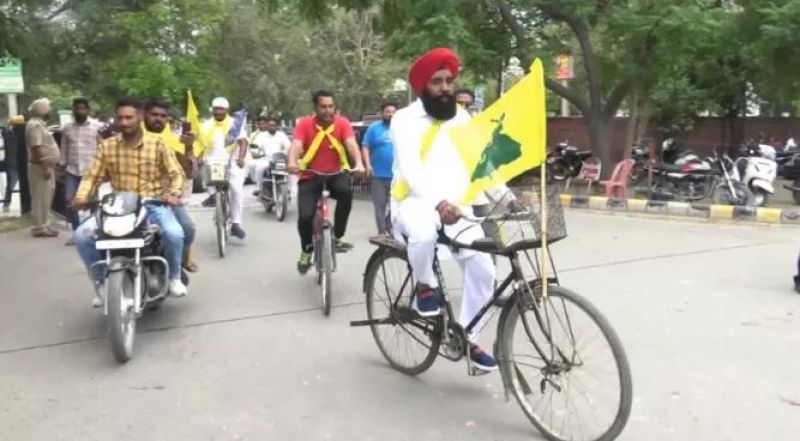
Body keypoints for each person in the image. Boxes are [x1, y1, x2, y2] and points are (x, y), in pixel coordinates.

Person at [390, 48, 518, 372]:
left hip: (457, 211)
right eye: (437, 81)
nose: (445, 87)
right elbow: (412, 171)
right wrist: (438, 203)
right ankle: (424, 283)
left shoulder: (463, 118)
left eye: (449, 80)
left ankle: (468, 337)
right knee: (422, 232)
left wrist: (508, 199)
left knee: (484, 271)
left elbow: (483, 166)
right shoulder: (404, 120)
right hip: (416, 204)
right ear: (423, 87)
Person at [71, 98, 188, 306]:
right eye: (120, 118)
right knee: (81, 236)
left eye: (129, 117)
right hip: (117, 206)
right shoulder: (107, 147)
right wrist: (82, 196)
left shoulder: (158, 144)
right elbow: (92, 177)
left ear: (140, 118)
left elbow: (176, 173)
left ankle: (174, 278)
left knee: (175, 233)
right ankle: (100, 283)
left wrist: (175, 193)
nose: (124, 122)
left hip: (151, 205)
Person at [288, 90, 365, 273]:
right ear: (315, 107)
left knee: (346, 193)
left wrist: (359, 163)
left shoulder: (342, 123)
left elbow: (351, 145)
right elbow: (297, 145)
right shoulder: (305, 124)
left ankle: (337, 236)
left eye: (331, 106)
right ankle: (306, 250)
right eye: (323, 106)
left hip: (335, 173)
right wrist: (292, 162)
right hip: (310, 175)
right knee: (305, 217)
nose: (328, 110)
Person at [142, 98, 199, 272]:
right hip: (134, 198)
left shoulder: (175, 142)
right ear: (144, 116)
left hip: (166, 199)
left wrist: (189, 149)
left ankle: (177, 264)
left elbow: (189, 173)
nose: (158, 119)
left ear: (168, 119)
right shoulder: (134, 138)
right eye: (154, 115)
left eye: (162, 116)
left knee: (187, 229)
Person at [199, 97, 249, 240]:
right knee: (205, 173)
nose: (218, 111)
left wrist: (241, 157)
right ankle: (212, 196)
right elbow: (201, 145)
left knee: (237, 191)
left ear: (226, 110)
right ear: (213, 110)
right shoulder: (206, 125)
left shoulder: (235, 124)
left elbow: (243, 142)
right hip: (212, 161)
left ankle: (235, 224)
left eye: (221, 109)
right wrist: (199, 158)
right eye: (216, 109)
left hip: (231, 161)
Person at [58, 97, 101, 242]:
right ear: (73, 110)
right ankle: (76, 233)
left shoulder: (96, 126)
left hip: (91, 170)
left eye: (83, 108)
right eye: (77, 108)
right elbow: (64, 148)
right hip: (72, 169)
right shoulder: (67, 128)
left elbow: (102, 148)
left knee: (93, 202)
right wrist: (62, 167)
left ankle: (94, 231)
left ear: (88, 110)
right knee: (70, 200)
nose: (80, 111)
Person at [25, 98, 60, 237]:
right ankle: (40, 227)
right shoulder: (35, 125)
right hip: (40, 167)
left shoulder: (40, 124)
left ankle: (44, 225)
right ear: (41, 109)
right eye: (47, 107)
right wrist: (45, 165)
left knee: (46, 197)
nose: (49, 110)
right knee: (41, 197)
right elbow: (37, 147)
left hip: (44, 166)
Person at [361, 103, 397, 235]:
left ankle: (389, 224)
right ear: (382, 113)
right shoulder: (374, 128)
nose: (391, 114)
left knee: (396, 205)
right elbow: (365, 146)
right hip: (378, 174)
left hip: (397, 175)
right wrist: (367, 165)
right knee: (380, 205)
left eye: (393, 112)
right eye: (388, 111)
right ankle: (381, 232)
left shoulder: (401, 128)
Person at [249, 114, 291, 196]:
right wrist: (256, 153)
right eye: (270, 125)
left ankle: (288, 190)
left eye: (274, 125)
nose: (272, 127)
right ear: (267, 126)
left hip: (279, 160)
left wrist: (287, 153)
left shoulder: (281, 135)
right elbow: (255, 148)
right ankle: (259, 188)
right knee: (259, 168)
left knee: (287, 171)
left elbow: (289, 147)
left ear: (277, 126)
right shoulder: (261, 136)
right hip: (266, 160)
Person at [2, 116, 24, 213]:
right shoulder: (23, 134)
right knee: (12, 185)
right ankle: (7, 204)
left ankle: (6, 204)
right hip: (17, 164)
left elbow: (5, 129)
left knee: (10, 186)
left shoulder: (7, 134)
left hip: (13, 163)